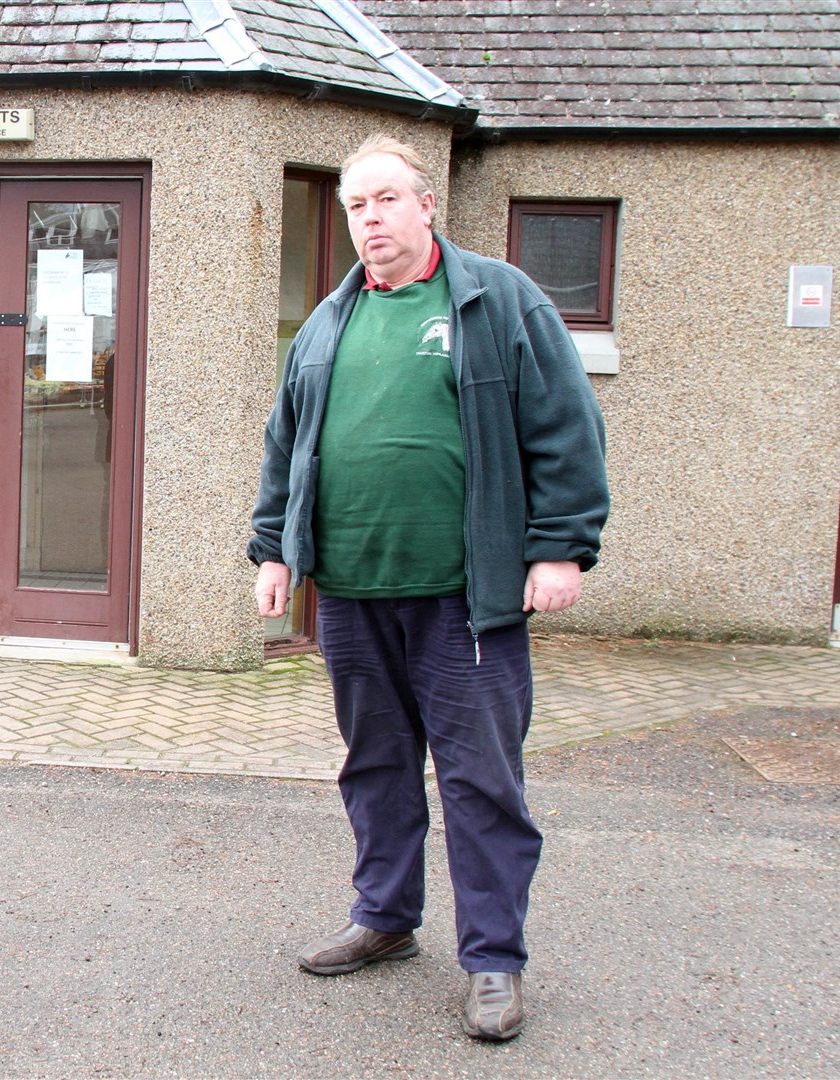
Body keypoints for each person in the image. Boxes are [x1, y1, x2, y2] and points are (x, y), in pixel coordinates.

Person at [248, 135, 608, 1040]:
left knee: (481, 780)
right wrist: (274, 551)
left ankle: (492, 960)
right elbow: (287, 445)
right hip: (355, 595)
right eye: (356, 206)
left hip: (465, 596)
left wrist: (559, 549)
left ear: (426, 204)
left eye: (385, 201)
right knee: (374, 766)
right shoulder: (329, 323)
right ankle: (386, 918)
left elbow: (565, 426)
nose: (370, 220)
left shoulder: (497, 300)